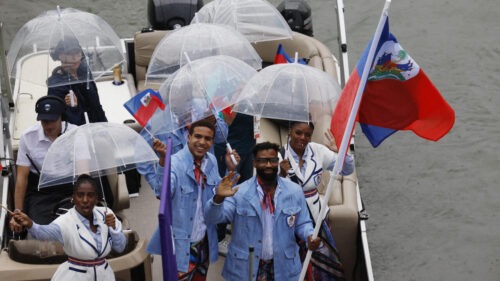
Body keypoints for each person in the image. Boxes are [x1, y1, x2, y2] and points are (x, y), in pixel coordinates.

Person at [205, 141, 321, 281]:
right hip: (246, 269)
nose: (268, 165)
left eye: (272, 160)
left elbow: (303, 223)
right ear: (254, 163)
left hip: (283, 268)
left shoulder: (294, 191)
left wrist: (309, 236)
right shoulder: (240, 192)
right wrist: (218, 198)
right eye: (263, 161)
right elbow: (213, 218)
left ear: (277, 162)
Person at [146, 120, 239, 280]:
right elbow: (162, 194)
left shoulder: (211, 160)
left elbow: (219, 189)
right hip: (181, 245)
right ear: (188, 137)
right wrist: (163, 162)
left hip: (204, 240)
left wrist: (231, 169)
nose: (202, 142)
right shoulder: (174, 162)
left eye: (208, 138)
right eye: (198, 136)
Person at [11, 174, 126, 281]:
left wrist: (114, 228)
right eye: (80, 195)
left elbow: (120, 248)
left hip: (105, 276)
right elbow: (44, 233)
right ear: (73, 198)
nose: (85, 200)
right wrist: (31, 224)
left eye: (90, 195)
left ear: (96, 198)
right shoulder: (66, 220)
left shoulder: (106, 214)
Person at [279, 121, 354, 281]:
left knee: (322, 267)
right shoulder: (279, 155)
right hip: (289, 220)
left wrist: (339, 151)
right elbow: (267, 190)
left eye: (307, 135)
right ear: (290, 131)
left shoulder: (318, 151)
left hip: (317, 219)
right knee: (295, 265)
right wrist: (281, 175)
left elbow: (347, 169)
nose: (302, 138)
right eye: (298, 133)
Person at [9, 96, 78, 231]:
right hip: (41, 192)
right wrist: (18, 212)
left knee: (75, 224)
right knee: (40, 228)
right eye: (44, 121)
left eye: (52, 120)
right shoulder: (28, 138)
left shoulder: (76, 133)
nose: (48, 125)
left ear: (61, 117)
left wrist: (82, 197)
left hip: (70, 187)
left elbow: (83, 172)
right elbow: (22, 178)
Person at [47, 36, 107, 125]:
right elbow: (62, 123)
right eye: (70, 54)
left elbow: (96, 105)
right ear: (61, 56)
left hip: (98, 125)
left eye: (77, 53)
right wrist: (74, 107)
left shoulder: (85, 72)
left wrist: (105, 125)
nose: (75, 58)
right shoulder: (56, 85)